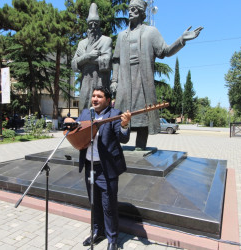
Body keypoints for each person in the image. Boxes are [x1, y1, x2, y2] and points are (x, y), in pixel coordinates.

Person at [111, 0, 203, 150]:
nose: (130, 12)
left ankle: (141, 147)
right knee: (121, 113)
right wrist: (114, 80)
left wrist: (181, 40)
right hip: (124, 80)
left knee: (143, 112)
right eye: (129, 9)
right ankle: (117, 144)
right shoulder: (121, 36)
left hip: (142, 79)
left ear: (142, 13)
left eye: (135, 9)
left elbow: (165, 51)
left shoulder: (151, 32)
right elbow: (116, 60)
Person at [64, 86, 131, 250]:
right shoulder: (87, 113)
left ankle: (112, 239)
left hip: (107, 168)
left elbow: (123, 138)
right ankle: (97, 232)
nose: (95, 99)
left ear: (108, 100)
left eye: (99, 96)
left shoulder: (114, 114)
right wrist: (69, 123)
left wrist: (124, 124)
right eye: (93, 95)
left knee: (109, 205)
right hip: (90, 167)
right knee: (94, 203)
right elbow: (75, 128)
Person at [71, 3, 113, 113]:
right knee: (84, 110)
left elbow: (106, 62)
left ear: (99, 24)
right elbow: (74, 64)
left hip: (100, 82)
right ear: (87, 26)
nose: (93, 27)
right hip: (85, 83)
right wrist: (88, 55)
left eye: (95, 24)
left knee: (102, 111)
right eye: (90, 24)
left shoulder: (106, 40)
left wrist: (84, 58)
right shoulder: (82, 43)